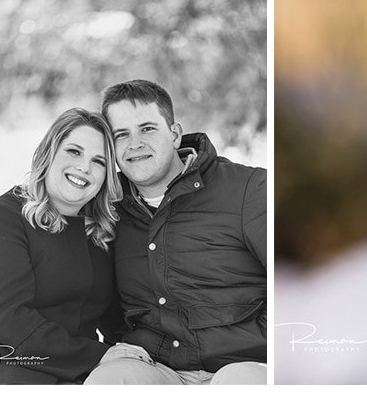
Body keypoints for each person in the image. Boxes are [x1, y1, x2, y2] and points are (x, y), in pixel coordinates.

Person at [84, 80, 266, 385]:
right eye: (121, 135)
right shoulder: (110, 209)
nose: (135, 143)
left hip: (245, 365)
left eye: (147, 129)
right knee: (111, 380)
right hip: (161, 369)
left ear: (174, 133)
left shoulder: (247, 190)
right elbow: (108, 309)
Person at [0, 108, 148, 384]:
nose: (84, 167)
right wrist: (99, 355)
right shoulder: (2, 219)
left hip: (80, 374)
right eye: (74, 151)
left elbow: (114, 320)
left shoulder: (101, 231)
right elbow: (10, 321)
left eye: (98, 161)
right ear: (49, 153)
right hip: (7, 366)